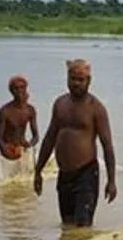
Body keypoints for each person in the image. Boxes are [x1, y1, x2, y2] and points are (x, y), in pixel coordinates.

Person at [33, 59, 117, 227]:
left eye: (81, 79)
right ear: (67, 78)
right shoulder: (60, 104)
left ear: (89, 81)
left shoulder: (96, 108)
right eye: (73, 79)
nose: (76, 83)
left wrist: (111, 181)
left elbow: (107, 146)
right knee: (67, 226)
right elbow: (49, 138)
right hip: (64, 174)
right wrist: (38, 170)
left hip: (86, 174)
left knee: (82, 226)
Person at [0, 74, 39, 161]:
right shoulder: (5, 111)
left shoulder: (30, 110)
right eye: (16, 88)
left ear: (26, 89)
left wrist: (29, 145)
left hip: (22, 149)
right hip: (8, 151)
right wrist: (6, 152)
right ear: (11, 91)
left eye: (22, 87)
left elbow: (36, 136)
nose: (19, 91)